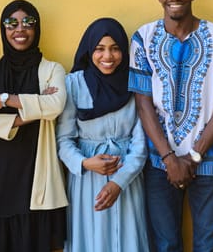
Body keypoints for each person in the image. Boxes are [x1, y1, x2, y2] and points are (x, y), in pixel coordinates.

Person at [128, 0, 213, 252]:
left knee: (207, 244)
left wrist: (193, 156)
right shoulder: (143, 37)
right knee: (165, 244)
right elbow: (143, 104)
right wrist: (169, 158)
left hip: (209, 160)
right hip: (159, 163)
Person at [0, 0, 68, 252]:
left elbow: (56, 105)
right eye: (11, 23)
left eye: (28, 23)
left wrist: (4, 100)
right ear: (3, 30)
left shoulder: (52, 69)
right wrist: (34, 110)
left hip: (37, 180)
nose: (20, 29)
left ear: (37, 29)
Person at [56, 17, 149, 252]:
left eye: (115, 48)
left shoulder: (134, 82)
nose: (108, 57)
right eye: (99, 49)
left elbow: (141, 143)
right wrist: (85, 163)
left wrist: (119, 182)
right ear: (89, 50)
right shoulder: (73, 84)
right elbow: (64, 140)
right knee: (90, 240)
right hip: (86, 180)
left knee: (127, 240)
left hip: (126, 178)